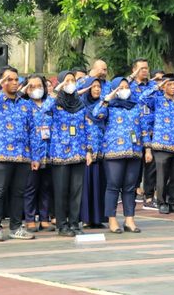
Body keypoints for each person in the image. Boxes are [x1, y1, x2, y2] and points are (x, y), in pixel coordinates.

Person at [0, 66, 40, 242]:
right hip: (0, 154)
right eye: (8, 79)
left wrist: (35, 157)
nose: (13, 83)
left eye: (15, 79)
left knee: (19, 192)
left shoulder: (26, 104)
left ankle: (15, 227)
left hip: (22, 155)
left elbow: (33, 131)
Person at [94, 77, 151, 233]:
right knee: (113, 186)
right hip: (114, 152)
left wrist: (147, 149)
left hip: (134, 151)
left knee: (130, 187)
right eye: (120, 88)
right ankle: (112, 220)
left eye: (126, 87)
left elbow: (144, 128)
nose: (124, 90)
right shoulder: (109, 106)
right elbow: (96, 114)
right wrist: (107, 99)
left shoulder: (136, 107)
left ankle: (129, 220)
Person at [43, 71, 93, 237]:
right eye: (66, 81)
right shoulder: (55, 103)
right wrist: (55, 92)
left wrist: (89, 150)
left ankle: (74, 223)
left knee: (76, 191)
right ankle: (62, 224)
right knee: (61, 190)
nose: (70, 83)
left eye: (72, 80)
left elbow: (88, 127)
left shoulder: (80, 103)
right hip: (59, 153)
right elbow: (42, 111)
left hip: (78, 152)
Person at [140, 73, 174, 215]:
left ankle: (173, 202)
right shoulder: (157, 100)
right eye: (169, 84)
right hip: (161, 145)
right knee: (162, 176)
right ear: (164, 86)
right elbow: (142, 98)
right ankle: (161, 202)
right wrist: (157, 87)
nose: (173, 87)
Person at [21, 74, 55, 232]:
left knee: (46, 187)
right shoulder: (24, 106)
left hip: (49, 154)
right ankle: (30, 219)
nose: (36, 89)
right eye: (32, 86)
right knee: (31, 188)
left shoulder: (50, 105)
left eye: (39, 86)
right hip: (31, 155)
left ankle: (44, 218)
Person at [80, 76, 107, 229]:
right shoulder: (81, 105)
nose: (97, 89)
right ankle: (86, 218)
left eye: (99, 87)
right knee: (87, 185)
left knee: (100, 185)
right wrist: (87, 150)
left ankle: (98, 218)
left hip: (102, 150)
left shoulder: (104, 105)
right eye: (93, 86)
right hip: (87, 151)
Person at [127, 58, 153, 205]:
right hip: (135, 130)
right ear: (134, 70)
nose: (144, 71)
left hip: (151, 130)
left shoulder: (153, 85)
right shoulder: (129, 86)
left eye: (146, 68)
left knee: (150, 164)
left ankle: (149, 196)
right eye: (141, 68)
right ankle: (133, 189)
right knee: (136, 162)